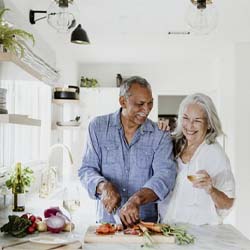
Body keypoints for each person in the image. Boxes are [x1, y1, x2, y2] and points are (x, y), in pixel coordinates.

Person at [78, 76, 177, 226]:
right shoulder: (97, 127)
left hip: (145, 224)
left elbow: (165, 175)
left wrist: (136, 199)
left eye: (150, 103)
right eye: (140, 104)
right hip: (107, 223)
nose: (147, 110)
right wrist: (103, 186)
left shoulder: (160, 134)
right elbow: (87, 169)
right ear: (122, 101)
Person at [159, 93, 235, 225]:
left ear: (209, 124)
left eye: (197, 121)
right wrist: (158, 130)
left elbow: (228, 203)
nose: (189, 126)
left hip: (200, 234)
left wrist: (211, 189)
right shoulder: (174, 144)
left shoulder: (215, 155)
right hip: (167, 228)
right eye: (186, 118)